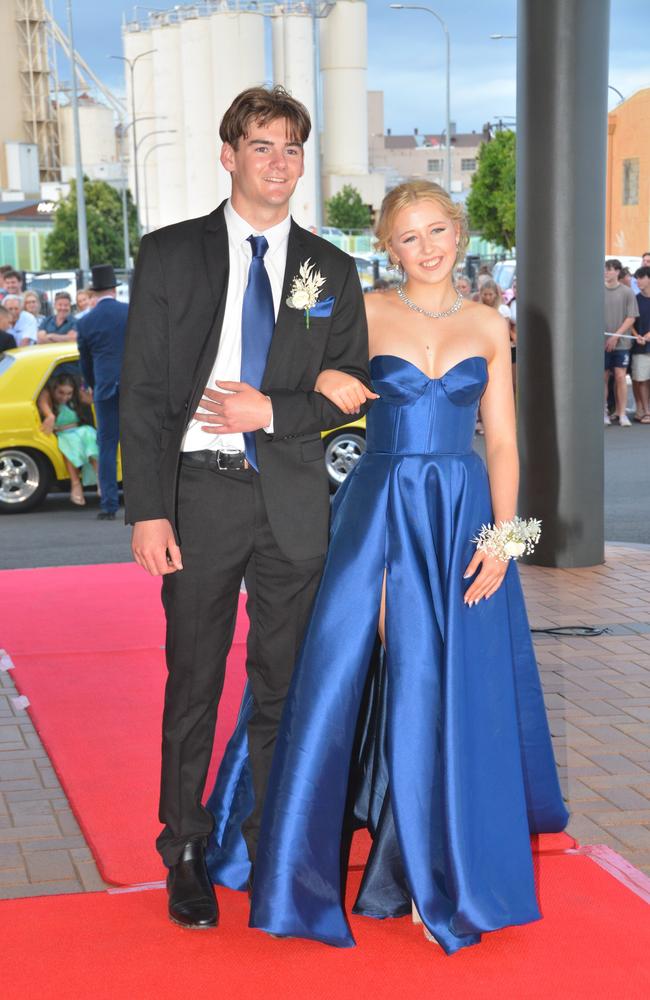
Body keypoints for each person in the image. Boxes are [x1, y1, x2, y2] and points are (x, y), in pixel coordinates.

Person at [207, 180, 568, 955]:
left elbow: (503, 442)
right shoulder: (361, 310)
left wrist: (507, 543)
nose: (428, 247)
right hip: (375, 509)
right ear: (388, 245)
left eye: (437, 230)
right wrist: (322, 386)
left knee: (446, 686)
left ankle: (426, 868)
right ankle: (287, 859)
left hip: (462, 516)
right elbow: (291, 375)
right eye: (409, 237)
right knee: (343, 672)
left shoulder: (488, 323)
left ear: (459, 231)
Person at [119, 85, 373, 932]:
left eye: (292, 149)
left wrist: (274, 409)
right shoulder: (170, 255)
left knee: (283, 688)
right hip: (198, 495)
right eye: (262, 146)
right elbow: (146, 394)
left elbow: (348, 391)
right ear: (228, 155)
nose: (279, 163)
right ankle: (184, 848)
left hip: (294, 501)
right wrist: (148, 511)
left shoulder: (329, 270)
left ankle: (273, 843)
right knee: (191, 682)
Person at [77, 265, 129, 519]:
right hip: (133, 387)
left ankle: (109, 505)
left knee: (107, 447)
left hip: (105, 389)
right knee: (136, 445)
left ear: (94, 293)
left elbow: (85, 364)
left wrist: (94, 385)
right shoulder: (130, 312)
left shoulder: (86, 322)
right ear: (114, 290)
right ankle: (139, 502)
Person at [37, 374, 99, 505]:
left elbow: (93, 400)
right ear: (54, 389)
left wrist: (88, 388)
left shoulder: (76, 396)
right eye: (61, 392)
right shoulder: (47, 397)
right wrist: (50, 416)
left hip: (80, 430)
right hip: (63, 434)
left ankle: (101, 480)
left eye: (68, 393)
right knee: (70, 445)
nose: (64, 397)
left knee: (90, 437)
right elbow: (43, 401)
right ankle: (75, 484)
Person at [604, 258, 639, 426]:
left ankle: (622, 413)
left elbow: (631, 317)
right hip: (601, 342)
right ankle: (603, 412)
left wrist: (616, 336)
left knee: (619, 376)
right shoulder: (597, 290)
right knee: (602, 378)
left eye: (609, 269)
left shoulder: (627, 292)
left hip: (622, 343)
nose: (606, 272)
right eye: (605, 269)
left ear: (617, 272)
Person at [631, 265, 650, 422]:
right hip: (639, 347)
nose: (637, 281)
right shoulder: (635, 299)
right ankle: (646, 411)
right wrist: (637, 336)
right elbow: (630, 321)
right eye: (636, 278)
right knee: (641, 379)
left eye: (640, 278)